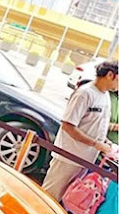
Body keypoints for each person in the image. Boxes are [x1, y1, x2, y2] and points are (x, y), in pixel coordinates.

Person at [42, 60, 118, 203]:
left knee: (66, 200)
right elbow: (68, 125)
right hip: (68, 156)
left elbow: (96, 125)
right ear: (110, 75)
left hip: (85, 159)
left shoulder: (105, 96)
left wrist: (105, 142)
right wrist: (95, 144)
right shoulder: (84, 93)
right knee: (49, 196)